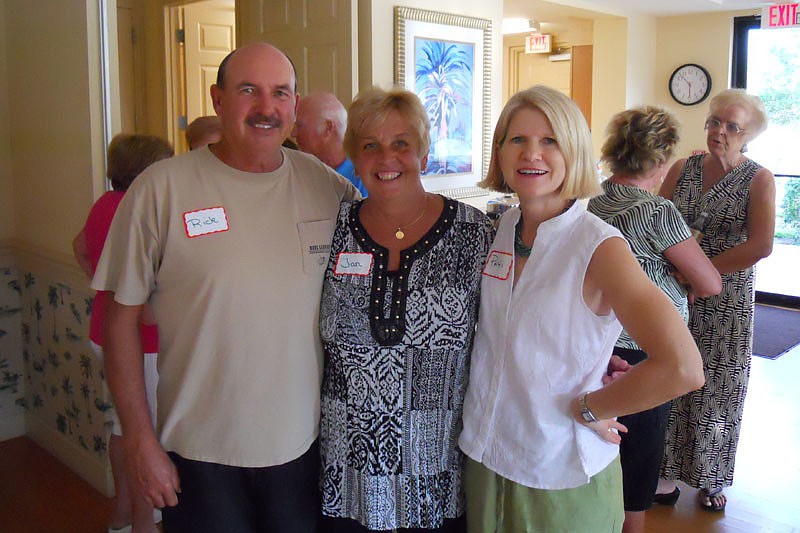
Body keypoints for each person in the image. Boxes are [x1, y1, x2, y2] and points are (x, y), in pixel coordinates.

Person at [92, 43, 360, 532]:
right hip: (198, 454)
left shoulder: (328, 187)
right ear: (217, 100)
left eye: (280, 93)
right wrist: (137, 438)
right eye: (248, 91)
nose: (266, 107)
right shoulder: (159, 190)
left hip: (302, 451)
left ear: (295, 107)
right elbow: (120, 320)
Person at [458, 85, 706, 533]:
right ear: (500, 151)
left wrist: (591, 407)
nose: (531, 153)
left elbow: (683, 367)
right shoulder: (502, 228)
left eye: (550, 140)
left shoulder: (599, 245)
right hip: (487, 454)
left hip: (559, 470)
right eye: (517, 139)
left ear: (574, 149)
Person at [318, 87, 494, 532]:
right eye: (370, 146)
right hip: (345, 471)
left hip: (437, 470)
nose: (386, 158)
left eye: (401, 144)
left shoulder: (476, 235)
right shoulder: (333, 229)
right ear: (353, 157)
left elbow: (519, 325)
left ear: (424, 152)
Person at [586, 106, 721, 533]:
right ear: (662, 161)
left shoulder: (589, 200)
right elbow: (711, 282)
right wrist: (680, 272)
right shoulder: (655, 211)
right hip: (641, 351)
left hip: (593, 344)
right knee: (636, 471)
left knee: (595, 451)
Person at [657, 88, 775, 512]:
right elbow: (659, 219)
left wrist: (702, 271)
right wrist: (679, 270)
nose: (718, 132)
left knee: (719, 382)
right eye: (714, 122)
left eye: (731, 126)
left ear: (747, 136)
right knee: (672, 372)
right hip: (675, 290)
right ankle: (665, 471)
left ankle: (711, 476)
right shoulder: (682, 168)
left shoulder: (758, 178)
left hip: (726, 297)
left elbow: (760, 245)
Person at [73, 133, 173, 533]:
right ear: (148, 170)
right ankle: (146, 524)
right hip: (139, 346)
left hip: (102, 332)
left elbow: (80, 247)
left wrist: (108, 290)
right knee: (145, 435)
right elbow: (148, 315)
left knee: (123, 424)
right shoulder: (138, 209)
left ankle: (122, 515)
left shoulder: (103, 204)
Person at [294, 91, 369, 196]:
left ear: (327, 128)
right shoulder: (300, 174)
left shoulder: (367, 179)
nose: (293, 133)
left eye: (300, 125)